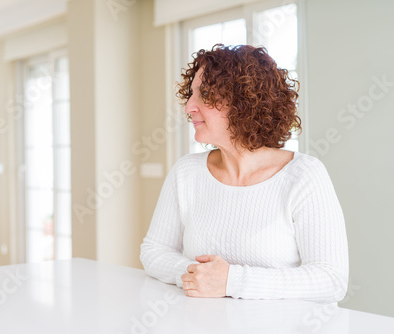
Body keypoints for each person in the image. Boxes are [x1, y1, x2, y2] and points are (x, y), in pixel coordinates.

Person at [140, 44, 349, 303]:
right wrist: (199, 275)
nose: (189, 107)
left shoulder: (305, 175)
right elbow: (154, 251)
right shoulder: (186, 172)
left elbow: (331, 281)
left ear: (245, 102)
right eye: (191, 95)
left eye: (205, 94)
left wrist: (231, 281)